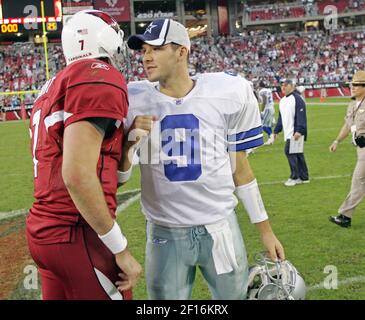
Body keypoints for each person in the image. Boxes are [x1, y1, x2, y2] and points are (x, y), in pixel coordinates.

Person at [118, 18, 285, 300]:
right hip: (163, 232)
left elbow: (241, 170)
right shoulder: (132, 99)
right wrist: (130, 143)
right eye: (144, 49)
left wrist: (266, 232)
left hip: (220, 229)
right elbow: (119, 179)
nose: (146, 56)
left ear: (182, 52)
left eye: (156, 49)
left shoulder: (226, 92)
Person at [26, 10, 141, 300]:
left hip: (46, 230)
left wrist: (127, 148)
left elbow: (104, 176)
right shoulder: (97, 76)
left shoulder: (50, 87)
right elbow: (77, 176)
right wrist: (120, 248)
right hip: (77, 231)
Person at [329, 70, 365, 228]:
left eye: (357, 85)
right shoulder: (352, 104)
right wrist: (337, 140)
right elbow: (348, 125)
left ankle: (345, 216)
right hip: (359, 149)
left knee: (358, 181)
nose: (353, 87)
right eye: (352, 85)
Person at [273, 79, 309, 187]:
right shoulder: (282, 100)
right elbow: (281, 118)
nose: (283, 87)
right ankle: (304, 177)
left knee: (289, 152)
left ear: (292, 86)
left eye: (285, 85)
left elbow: (301, 116)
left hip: (296, 132)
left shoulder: (297, 99)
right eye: (282, 85)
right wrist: (276, 130)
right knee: (298, 154)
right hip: (288, 132)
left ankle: (295, 177)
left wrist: (299, 130)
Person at [258, 81, 275, 145]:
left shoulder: (261, 91)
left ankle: (271, 135)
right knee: (268, 125)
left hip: (267, 109)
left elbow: (264, 101)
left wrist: (262, 111)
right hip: (271, 108)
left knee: (263, 125)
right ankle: (270, 140)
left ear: (260, 86)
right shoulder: (268, 90)